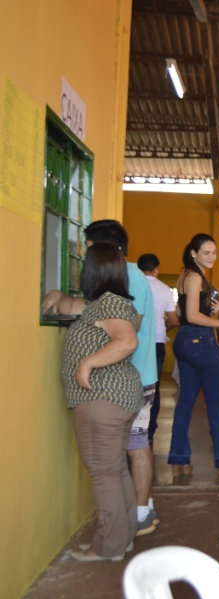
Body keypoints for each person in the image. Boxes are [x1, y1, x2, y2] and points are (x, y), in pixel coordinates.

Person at [45, 221, 160, 537]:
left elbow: (127, 331)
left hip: (129, 377)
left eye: (88, 246)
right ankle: (138, 512)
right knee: (125, 454)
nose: (83, 253)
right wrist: (58, 295)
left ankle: (140, 514)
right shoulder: (124, 278)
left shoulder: (127, 277)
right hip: (126, 378)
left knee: (134, 448)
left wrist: (88, 361)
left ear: (104, 249)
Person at [59, 243, 143, 561]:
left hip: (101, 399)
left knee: (104, 474)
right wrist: (55, 297)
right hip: (115, 399)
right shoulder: (105, 304)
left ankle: (107, 547)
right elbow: (68, 304)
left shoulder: (108, 305)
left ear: (93, 270)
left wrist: (87, 363)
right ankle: (123, 538)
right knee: (115, 470)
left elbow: (127, 340)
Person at [167, 234, 219, 478]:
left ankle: (179, 460)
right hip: (201, 340)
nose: (212, 257)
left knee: (185, 402)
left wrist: (212, 310)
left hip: (184, 341)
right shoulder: (196, 277)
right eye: (206, 252)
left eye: (214, 252)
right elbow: (192, 315)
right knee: (216, 404)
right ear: (194, 253)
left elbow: (179, 312)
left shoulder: (184, 275)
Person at [136, 253, 178, 446]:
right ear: (156, 269)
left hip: (134, 341)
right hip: (157, 343)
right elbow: (174, 320)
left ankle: (132, 428)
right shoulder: (164, 289)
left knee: (133, 383)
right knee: (154, 386)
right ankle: (150, 431)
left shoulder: (132, 285)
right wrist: (161, 329)